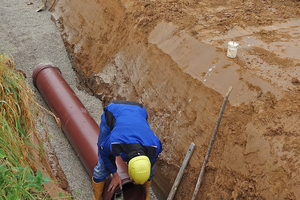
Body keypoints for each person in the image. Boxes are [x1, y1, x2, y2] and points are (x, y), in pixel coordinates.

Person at [92, 100, 162, 200]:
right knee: (102, 166)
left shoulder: (154, 146)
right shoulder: (114, 142)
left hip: (139, 110)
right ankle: (96, 196)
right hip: (114, 110)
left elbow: (151, 162)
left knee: (150, 170)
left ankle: (145, 195)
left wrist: (143, 174)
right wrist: (115, 175)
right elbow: (104, 153)